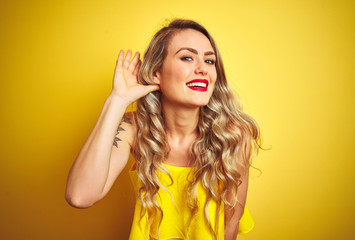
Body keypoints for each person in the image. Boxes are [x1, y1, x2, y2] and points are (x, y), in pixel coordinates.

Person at [65, 19, 261, 240]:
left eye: (209, 60)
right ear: (156, 72)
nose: (202, 69)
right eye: (187, 57)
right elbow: (80, 196)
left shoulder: (233, 134)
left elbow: (230, 223)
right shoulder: (134, 128)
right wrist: (117, 100)